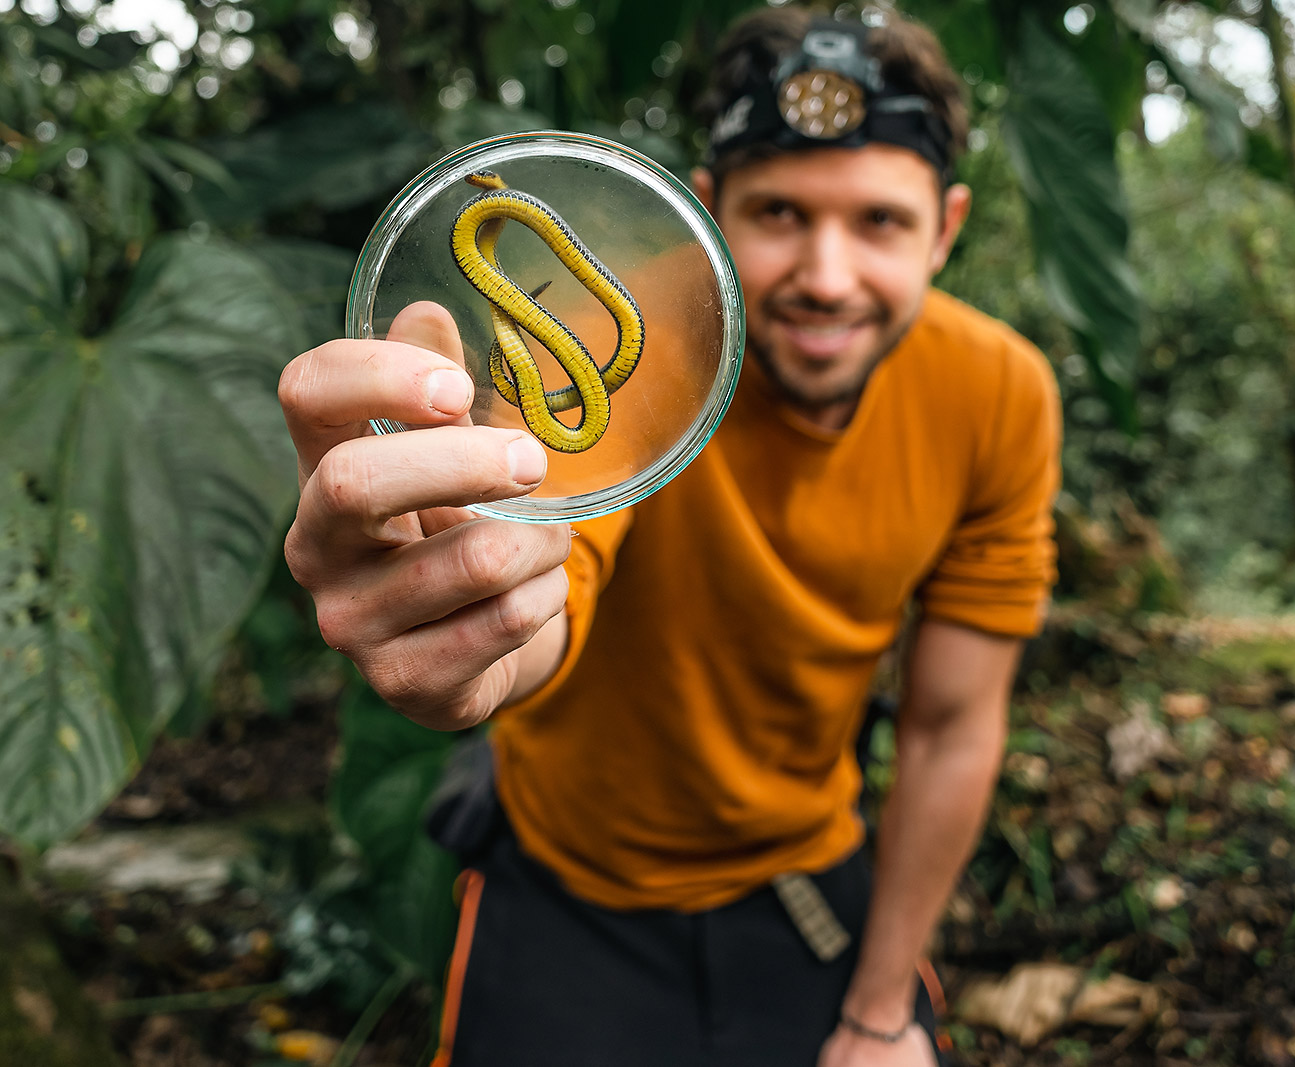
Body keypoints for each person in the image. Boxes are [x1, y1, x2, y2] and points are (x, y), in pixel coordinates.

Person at [278, 7, 1061, 1066]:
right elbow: (554, 571)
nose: (826, 275)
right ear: (709, 209)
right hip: (564, 888)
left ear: (946, 226)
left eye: (878, 221)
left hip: (805, 885)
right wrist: (467, 608)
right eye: (779, 211)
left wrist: (880, 1014)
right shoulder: (616, 348)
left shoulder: (998, 393)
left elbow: (952, 726)